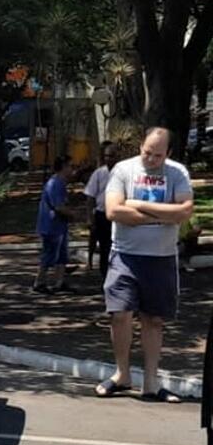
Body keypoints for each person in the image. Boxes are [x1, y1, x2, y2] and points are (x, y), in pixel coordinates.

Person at [95, 127, 194, 403]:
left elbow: (185, 211)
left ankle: (150, 382)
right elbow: (113, 210)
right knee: (119, 314)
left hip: (161, 258)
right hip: (125, 255)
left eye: (158, 155)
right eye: (147, 152)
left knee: (153, 319)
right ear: (141, 146)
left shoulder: (177, 173)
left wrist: (136, 205)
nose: (151, 159)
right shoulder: (123, 171)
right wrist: (164, 216)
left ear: (169, 153)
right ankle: (122, 374)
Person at [33, 156, 76, 294]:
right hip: (51, 225)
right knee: (49, 254)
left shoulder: (61, 183)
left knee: (62, 255)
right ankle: (39, 282)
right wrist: (73, 214)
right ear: (63, 166)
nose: (72, 169)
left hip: (59, 225)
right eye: (70, 166)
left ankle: (59, 282)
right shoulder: (55, 183)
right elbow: (58, 207)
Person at [83, 142, 119, 276]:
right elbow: (90, 197)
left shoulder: (123, 172)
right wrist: (90, 218)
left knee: (115, 246)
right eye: (106, 156)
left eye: (111, 156)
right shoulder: (99, 173)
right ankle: (104, 275)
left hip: (117, 216)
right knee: (104, 246)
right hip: (102, 215)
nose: (108, 159)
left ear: (117, 157)